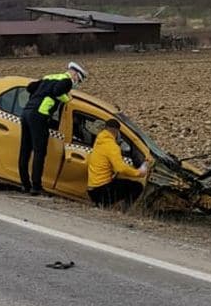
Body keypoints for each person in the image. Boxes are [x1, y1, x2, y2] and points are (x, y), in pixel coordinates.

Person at [18, 61, 88, 195]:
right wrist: (67, 99)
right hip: (40, 115)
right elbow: (57, 91)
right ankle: (36, 187)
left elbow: (30, 87)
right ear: (74, 73)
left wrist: (43, 93)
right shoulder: (66, 81)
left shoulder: (50, 77)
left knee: (25, 150)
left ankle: (25, 184)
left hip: (27, 112)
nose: (77, 83)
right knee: (39, 152)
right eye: (79, 79)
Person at [87, 118, 148, 209]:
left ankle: (101, 205)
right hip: (102, 191)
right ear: (116, 131)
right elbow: (120, 168)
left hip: (92, 190)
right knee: (137, 187)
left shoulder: (99, 140)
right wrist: (139, 172)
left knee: (118, 183)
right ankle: (122, 211)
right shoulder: (112, 146)